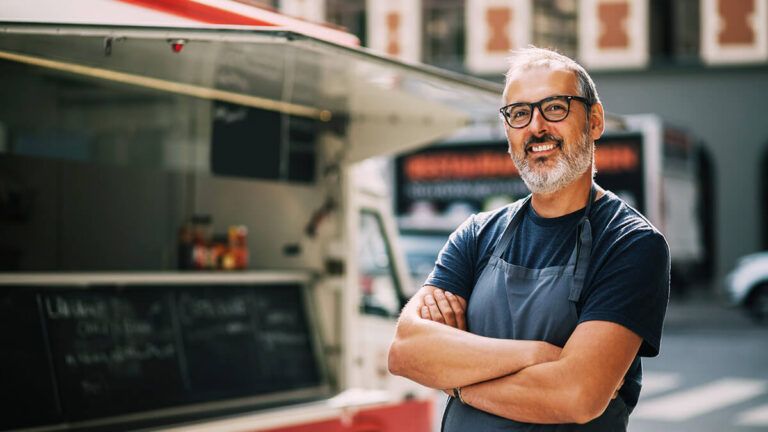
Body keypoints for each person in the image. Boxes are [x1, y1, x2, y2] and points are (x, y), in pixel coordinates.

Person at [387, 47, 670, 431]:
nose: (536, 127)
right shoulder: (475, 235)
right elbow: (405, 352)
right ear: (507, 132)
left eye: (555, 107)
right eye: (520, 113)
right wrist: (539, 355)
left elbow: (576, 395)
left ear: (595, 120)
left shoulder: (631, 245)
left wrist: (455, 381)